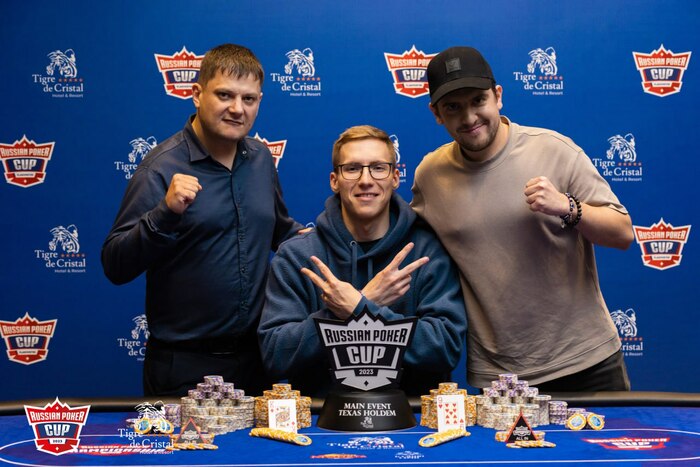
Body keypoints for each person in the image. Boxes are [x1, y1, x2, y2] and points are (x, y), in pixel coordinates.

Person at [411, 46, 634, 392]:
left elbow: (622, 233)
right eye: (453, 107)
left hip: (587, 360)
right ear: (436, 113)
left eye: (478, 101)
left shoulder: (554, 150)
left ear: (498, 96)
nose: (469, 117)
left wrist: (568, 207)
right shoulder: (430, 175)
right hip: (500, 376)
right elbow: (404, 242)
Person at [102, 44, 303, 397]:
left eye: (249, 99)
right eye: (225, 95)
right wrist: (164, 214)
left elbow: (280, 230)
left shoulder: (261, 159)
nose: (237, 109)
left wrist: (334, 239)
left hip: (257, 362)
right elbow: (115, 264)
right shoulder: (160, 168)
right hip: (184, 368)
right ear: (197, 94)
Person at [258, 125, 466, 397]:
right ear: (334, 180)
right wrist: (353, 306)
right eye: (352, 169)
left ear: (395, 178)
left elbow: (445, 348)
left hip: (412, 415)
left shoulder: (427, 252)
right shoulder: (298, 255)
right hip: (321, 416)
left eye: (378, 168)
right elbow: (276, 354)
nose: (366, 180)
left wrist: (359, 307)